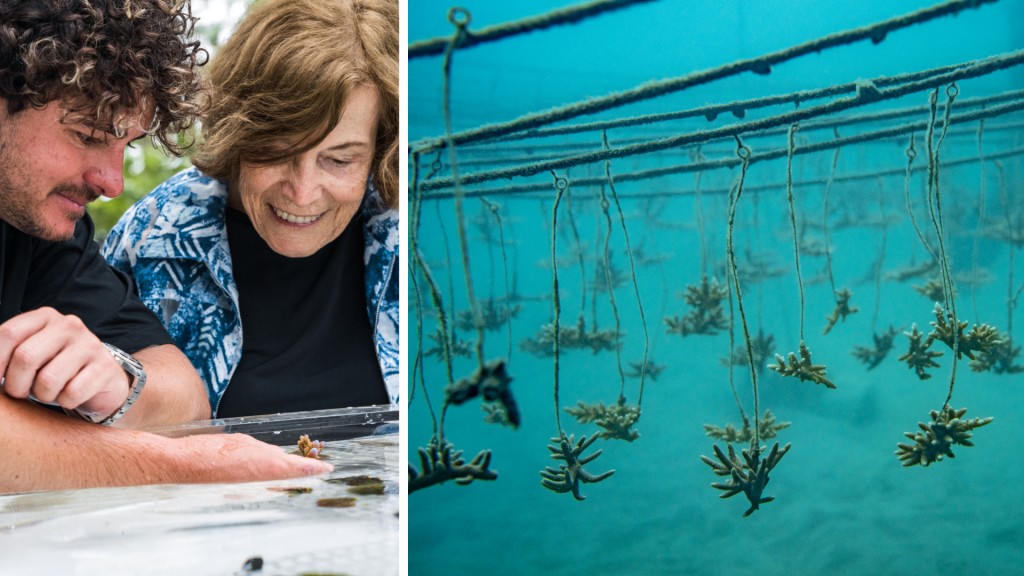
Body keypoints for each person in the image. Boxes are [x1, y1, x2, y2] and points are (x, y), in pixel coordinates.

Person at [0, 0, 331, 494]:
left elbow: (186, 395)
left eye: (125, 145)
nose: (112, 183)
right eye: (87, 135)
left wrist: (117, 381)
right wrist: (187, 465)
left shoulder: (34, 223)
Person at [103, 0, 399, 418]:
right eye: (277, 152)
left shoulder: (410, 234)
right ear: (237, 131)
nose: (302, 193)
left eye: (340, 160)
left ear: (381, 150)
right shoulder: (154, 239)